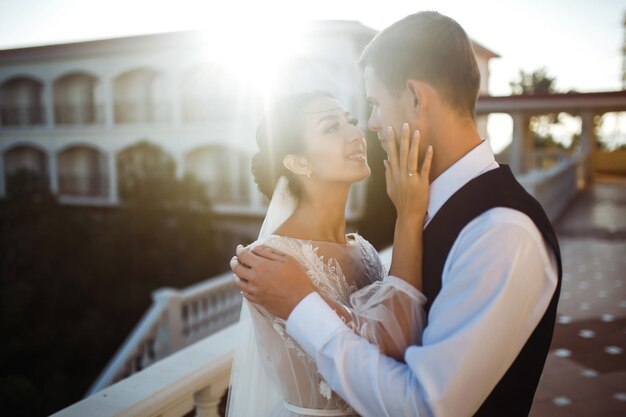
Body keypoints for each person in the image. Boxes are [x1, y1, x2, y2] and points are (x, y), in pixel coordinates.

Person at [232, 11, 562, 417]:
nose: (367, 126)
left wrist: (301, 305)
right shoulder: (435, 213)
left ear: (416, 98)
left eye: (373, 105)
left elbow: (423, 405)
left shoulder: (501, 230)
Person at [227, 91, 433, 417]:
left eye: (350, 122)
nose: (355, 133)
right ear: (298, 163)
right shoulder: (266, 260)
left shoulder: (363, 249)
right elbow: (381, 345)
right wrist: (408, 215)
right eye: (330, 127)